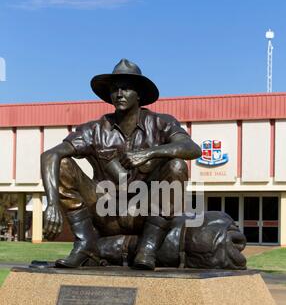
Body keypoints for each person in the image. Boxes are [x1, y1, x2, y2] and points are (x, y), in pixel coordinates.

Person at [41, 59, 201, 269]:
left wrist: (149, 153)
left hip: (144, 214)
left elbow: (192, 148)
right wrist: (51, 203)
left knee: (177, 165)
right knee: (62, 164)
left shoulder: (160, 123)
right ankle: (85, 245)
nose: (119, 94)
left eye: (126, 88)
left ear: (139, 94)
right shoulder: (95, 129)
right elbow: (50, 155)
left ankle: (148, 248)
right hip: (105, 212)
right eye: (115, 89)